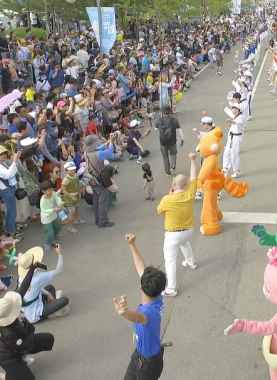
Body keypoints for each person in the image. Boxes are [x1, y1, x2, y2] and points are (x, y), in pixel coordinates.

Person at [0, 257, 55, 380]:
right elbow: (25, 344)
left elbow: (24, 285)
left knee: (48, 339)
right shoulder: (8, 332)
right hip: (8, 357)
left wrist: (32, 267)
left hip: (19, 346)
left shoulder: (11, 305)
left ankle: (22, 359)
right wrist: (31, 328)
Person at [114, 234, 167, 380]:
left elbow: (138, 317)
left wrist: (124, 312)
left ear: (141, 287)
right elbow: (140, 267)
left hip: (149, 364)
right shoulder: (156, 296)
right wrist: (132, 245)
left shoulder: (149, 312)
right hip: (140, 354)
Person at [155, 153, 197, 297]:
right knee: (184, 243)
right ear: (186, 185)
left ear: (173, 185)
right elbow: (193, 175)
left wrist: (170, 195)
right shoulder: (190, 193)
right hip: (188, 230)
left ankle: (171, 288)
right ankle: (190, 262)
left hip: (173, 234)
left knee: (170, 261)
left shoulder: (167, 199)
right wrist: (193, 160)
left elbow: (159, 211)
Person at [16, 246, 69, 323]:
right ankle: (52, 312)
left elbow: (34, 287)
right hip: (35, 314)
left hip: (27, 308)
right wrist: (60, 254)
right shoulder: (37, 277)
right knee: (64, 300)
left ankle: (51, 304)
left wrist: (48, 293)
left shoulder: (21, 276)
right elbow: (59, 270)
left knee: (50, 288)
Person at [83, 134, 116, 228]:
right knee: (102, 202)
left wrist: (108, 141)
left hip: (92, 180)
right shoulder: (98, 154)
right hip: (99, 180)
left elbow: (98, 148)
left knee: (96, 201)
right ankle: (103, 221)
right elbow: (109, 152)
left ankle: (97, 219)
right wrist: (111, 142)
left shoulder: (86, 153)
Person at [0, 145, 21, 235]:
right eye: (1, 154)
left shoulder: (2, 163)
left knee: (11, 212)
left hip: (9, 189)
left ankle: (10, 232)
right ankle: (11, 233)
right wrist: (15, 161)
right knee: (12, 213)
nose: (4, 155)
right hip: (6, 190)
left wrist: (14, 164)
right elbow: (7, 175)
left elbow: (10, 173)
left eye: (4, 153)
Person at [156, 105, 183, 177]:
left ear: (163, 112)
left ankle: (167, 171)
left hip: (163, 142)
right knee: (173, 154)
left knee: (165, 156)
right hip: (172, 141)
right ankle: (172, 167)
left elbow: (156, 129)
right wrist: (182, 139)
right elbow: (179, 130)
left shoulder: (159, 120)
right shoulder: (174, 120)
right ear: (170, 112)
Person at [222, 102, 246, 178]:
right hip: (231, 137)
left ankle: (237, 170)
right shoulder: (236, 116)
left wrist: (232, 121)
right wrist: (225, 107)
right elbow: (230, 113)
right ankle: (225, 168)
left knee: (234, 154)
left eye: (233, 108)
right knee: (227, 152)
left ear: (237, 110)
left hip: (236, 138)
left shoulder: (241, 117)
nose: (232, 110)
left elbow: (240, 122)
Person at [38, 181, 64, 250]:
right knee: (49, 232)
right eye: (49, 190)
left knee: (58, 226)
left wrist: (60, 202)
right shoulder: (43, 200)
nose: (51, 191)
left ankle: (54, 235)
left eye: (51, 189)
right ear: (43, 191)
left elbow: (57, 199)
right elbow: (44, 210)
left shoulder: (53, 193)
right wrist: (54, 209)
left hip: (53, 213)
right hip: (46, 217)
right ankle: (48, 244)